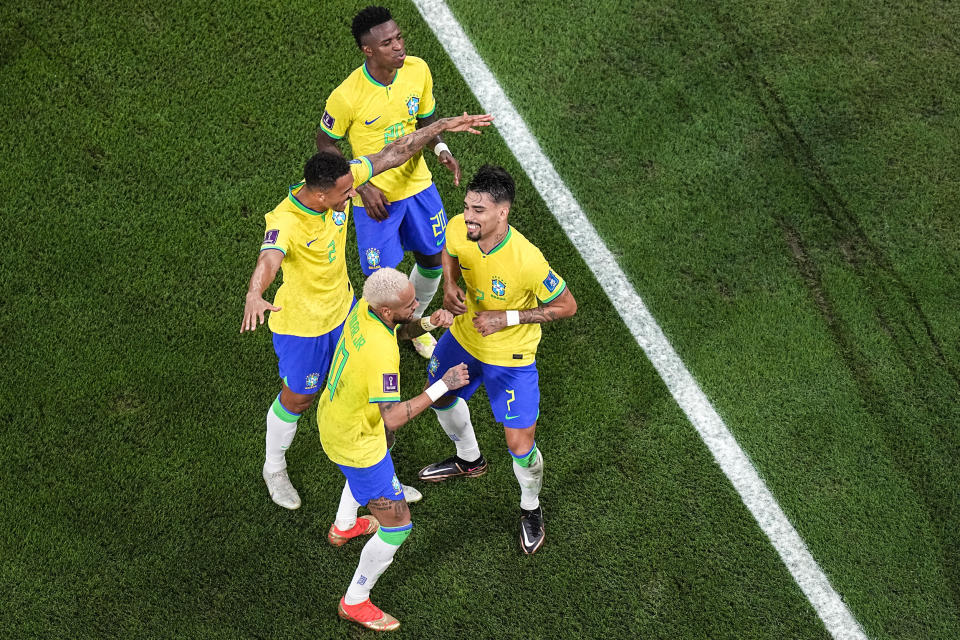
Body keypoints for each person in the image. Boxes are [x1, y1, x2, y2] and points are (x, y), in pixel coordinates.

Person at [240, 112, 492, 511]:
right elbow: (269, 259)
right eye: (346, 193)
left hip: (345, 314)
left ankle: (382, 479)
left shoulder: (341, 183)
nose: (353, 195)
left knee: (374, 402)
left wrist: (438, 128)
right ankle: (274, 466)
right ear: (321, 195)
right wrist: (256, 292)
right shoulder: (285, 220)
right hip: (303, 327)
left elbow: (395, 151)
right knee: (299, 398)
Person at [418, 165, 577, 555]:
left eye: (479, 210)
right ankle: (469, 459)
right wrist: (451, 286)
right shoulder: (461, 227)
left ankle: (530, 508)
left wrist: (505, 318)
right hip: (465, 336)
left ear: (502, 213)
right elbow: (450, 250)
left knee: (521, 445)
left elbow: (566, 306)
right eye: (467, 207)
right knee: (437, 394)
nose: (469, 216)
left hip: (512, 356)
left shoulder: (527, 261)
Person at [317, 267, 469, 631]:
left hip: (336, 418)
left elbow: (401, 329)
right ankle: (355, 601)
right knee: (398, 527)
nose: (416, 302)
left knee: (384, 447)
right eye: (410, 303)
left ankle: (345, 526)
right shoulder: (380, 354)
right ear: (386, 310)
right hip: (357, 443)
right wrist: (442, 386)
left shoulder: (364, 308)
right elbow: (393, 417)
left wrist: (428, 322)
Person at [317, 5, 461, 360]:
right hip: (375, 199)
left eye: (399, 38)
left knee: (431, 260)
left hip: (419, 188)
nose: (399, 47)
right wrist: (360, 186)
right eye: (387, 43)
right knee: (381, 279)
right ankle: (375, 340)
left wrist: (440, 148)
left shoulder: (418, 70)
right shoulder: (347, 95)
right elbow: (325, 142)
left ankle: (414, 326)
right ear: (368, 50)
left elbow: (426, 118)